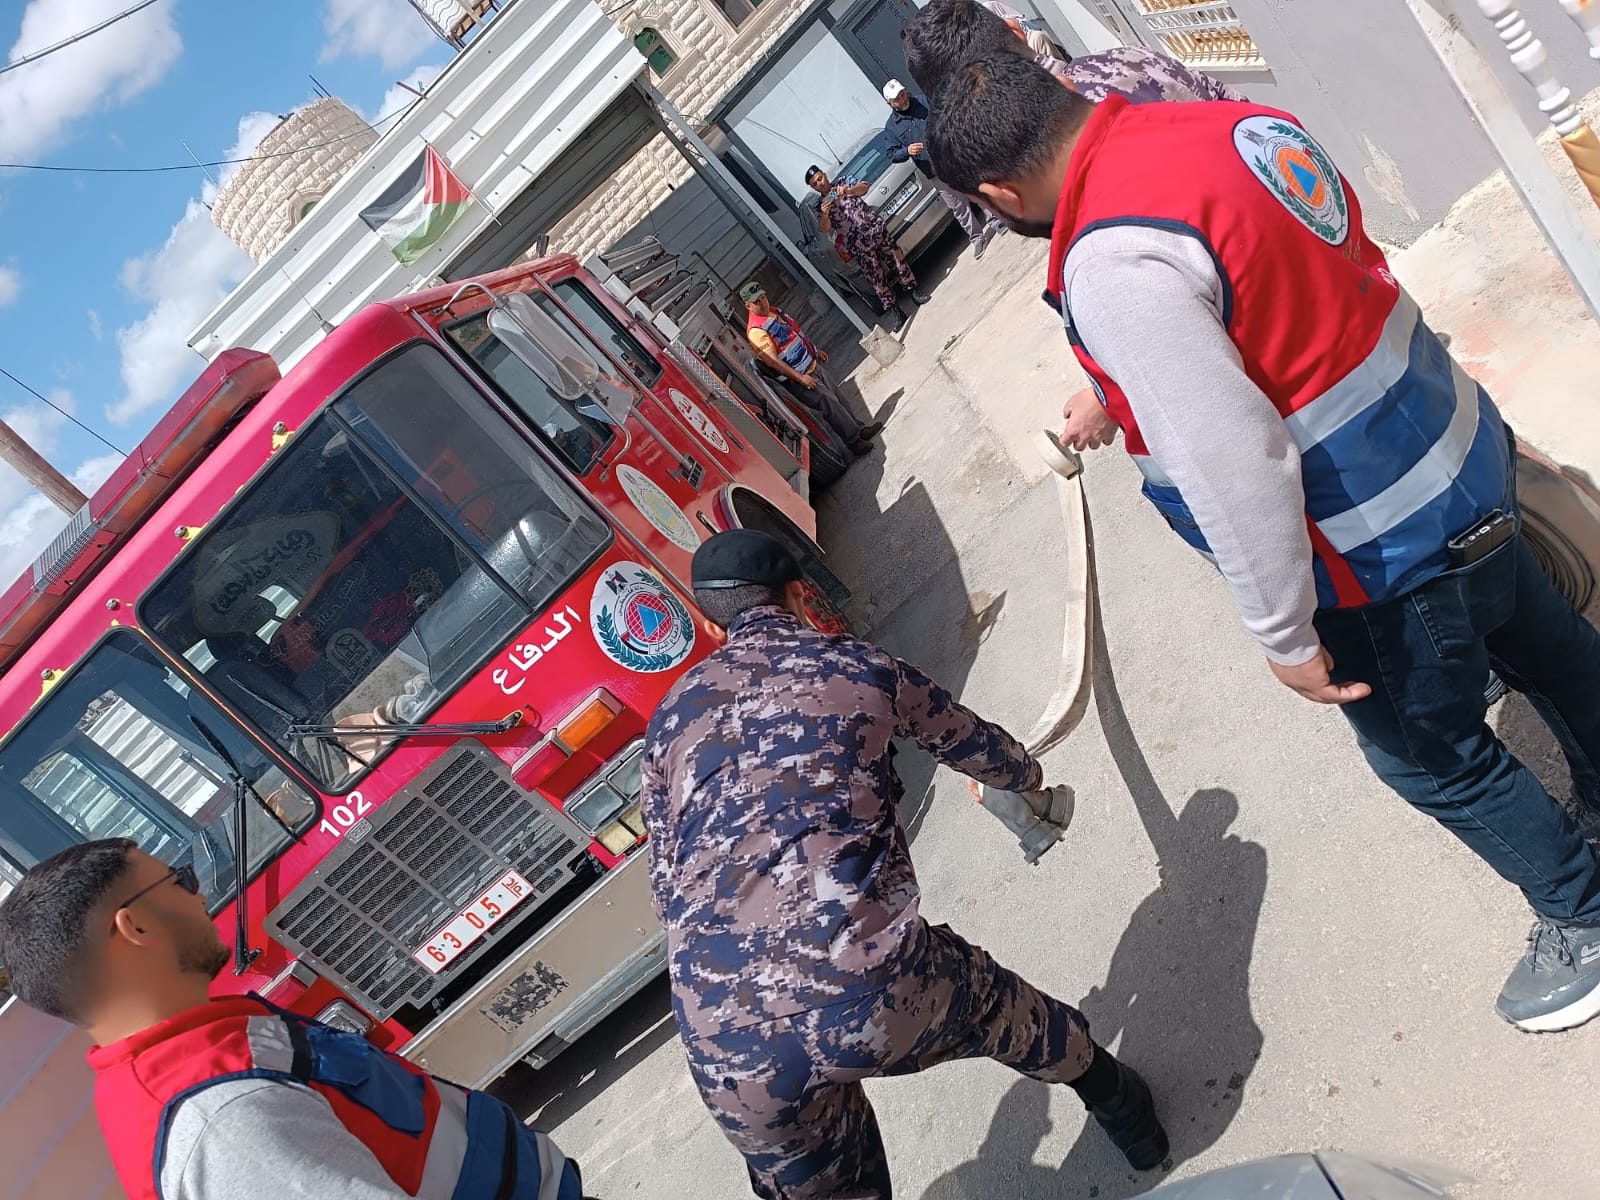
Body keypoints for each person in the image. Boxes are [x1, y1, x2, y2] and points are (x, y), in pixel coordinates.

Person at [928, 51, 1600, 1032]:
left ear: (997, 193)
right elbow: (1281, 291)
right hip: (1458, 456)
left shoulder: (1112, 262)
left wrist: (1283, 633)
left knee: (1430, 756)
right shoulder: (1222, 125)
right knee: (1549, 648)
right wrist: (1122, 386)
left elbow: (1234, 462)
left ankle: (1581, 915)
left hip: (1376, 552)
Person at [639, 529, 1168, 1199]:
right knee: (1003, 1010)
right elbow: (980, 748)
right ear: (798, 594)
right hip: (871, 986)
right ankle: (1121, 1106)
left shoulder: (667, 722)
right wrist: (1028, 781)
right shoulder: (856, 667)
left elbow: (666, 887)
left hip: (724, 1039)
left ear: (712, 625)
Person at [0, 839, 587, 1200]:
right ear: (136, 926)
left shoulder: (201, 1054)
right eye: (180, 880)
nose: (200, 896)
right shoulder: (223, 1117)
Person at [904, 0, 1243, 454]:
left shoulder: (1077, 194)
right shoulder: (1124, 60)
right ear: (1015, 32)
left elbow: (1177, 351)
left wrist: (1110, 397)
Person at [740, 282, 883, 456]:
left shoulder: (774, 312)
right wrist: (800, 378)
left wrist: (815, 351)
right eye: (757, 301)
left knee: (839, 399)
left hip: (812, 365)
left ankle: (859, 430)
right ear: (748, 306)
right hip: (800, 379)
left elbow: (796, 334)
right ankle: (854, 442)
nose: (762, 302)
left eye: (763, 297)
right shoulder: (756, 331)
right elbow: (773, 362)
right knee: (831, 406)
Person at [881, 78, 1006, 258]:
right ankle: (977, 238)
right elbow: (891, 154)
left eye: (902, 94)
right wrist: (907, 150)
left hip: (953, 156)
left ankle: (995, 220)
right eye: (897, 98)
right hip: (934, 170)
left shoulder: (924, 101)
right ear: (889, 103)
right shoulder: (891, 128)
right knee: (958, 206)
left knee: (976, 189)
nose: (902, 99)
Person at [807, 164, 930, 330]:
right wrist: (825, 214)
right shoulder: (819, 207)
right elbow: (824, 229)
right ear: (813, 188)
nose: (820, 184)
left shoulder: (844, 181)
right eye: (815, 184)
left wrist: (848, 191)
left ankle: (914, 292)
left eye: (820, 178)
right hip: (857, 245)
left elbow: (864, 188)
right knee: (876, 279)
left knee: (897, 260)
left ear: (824, 174)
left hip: (874, 229)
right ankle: (896, 311)